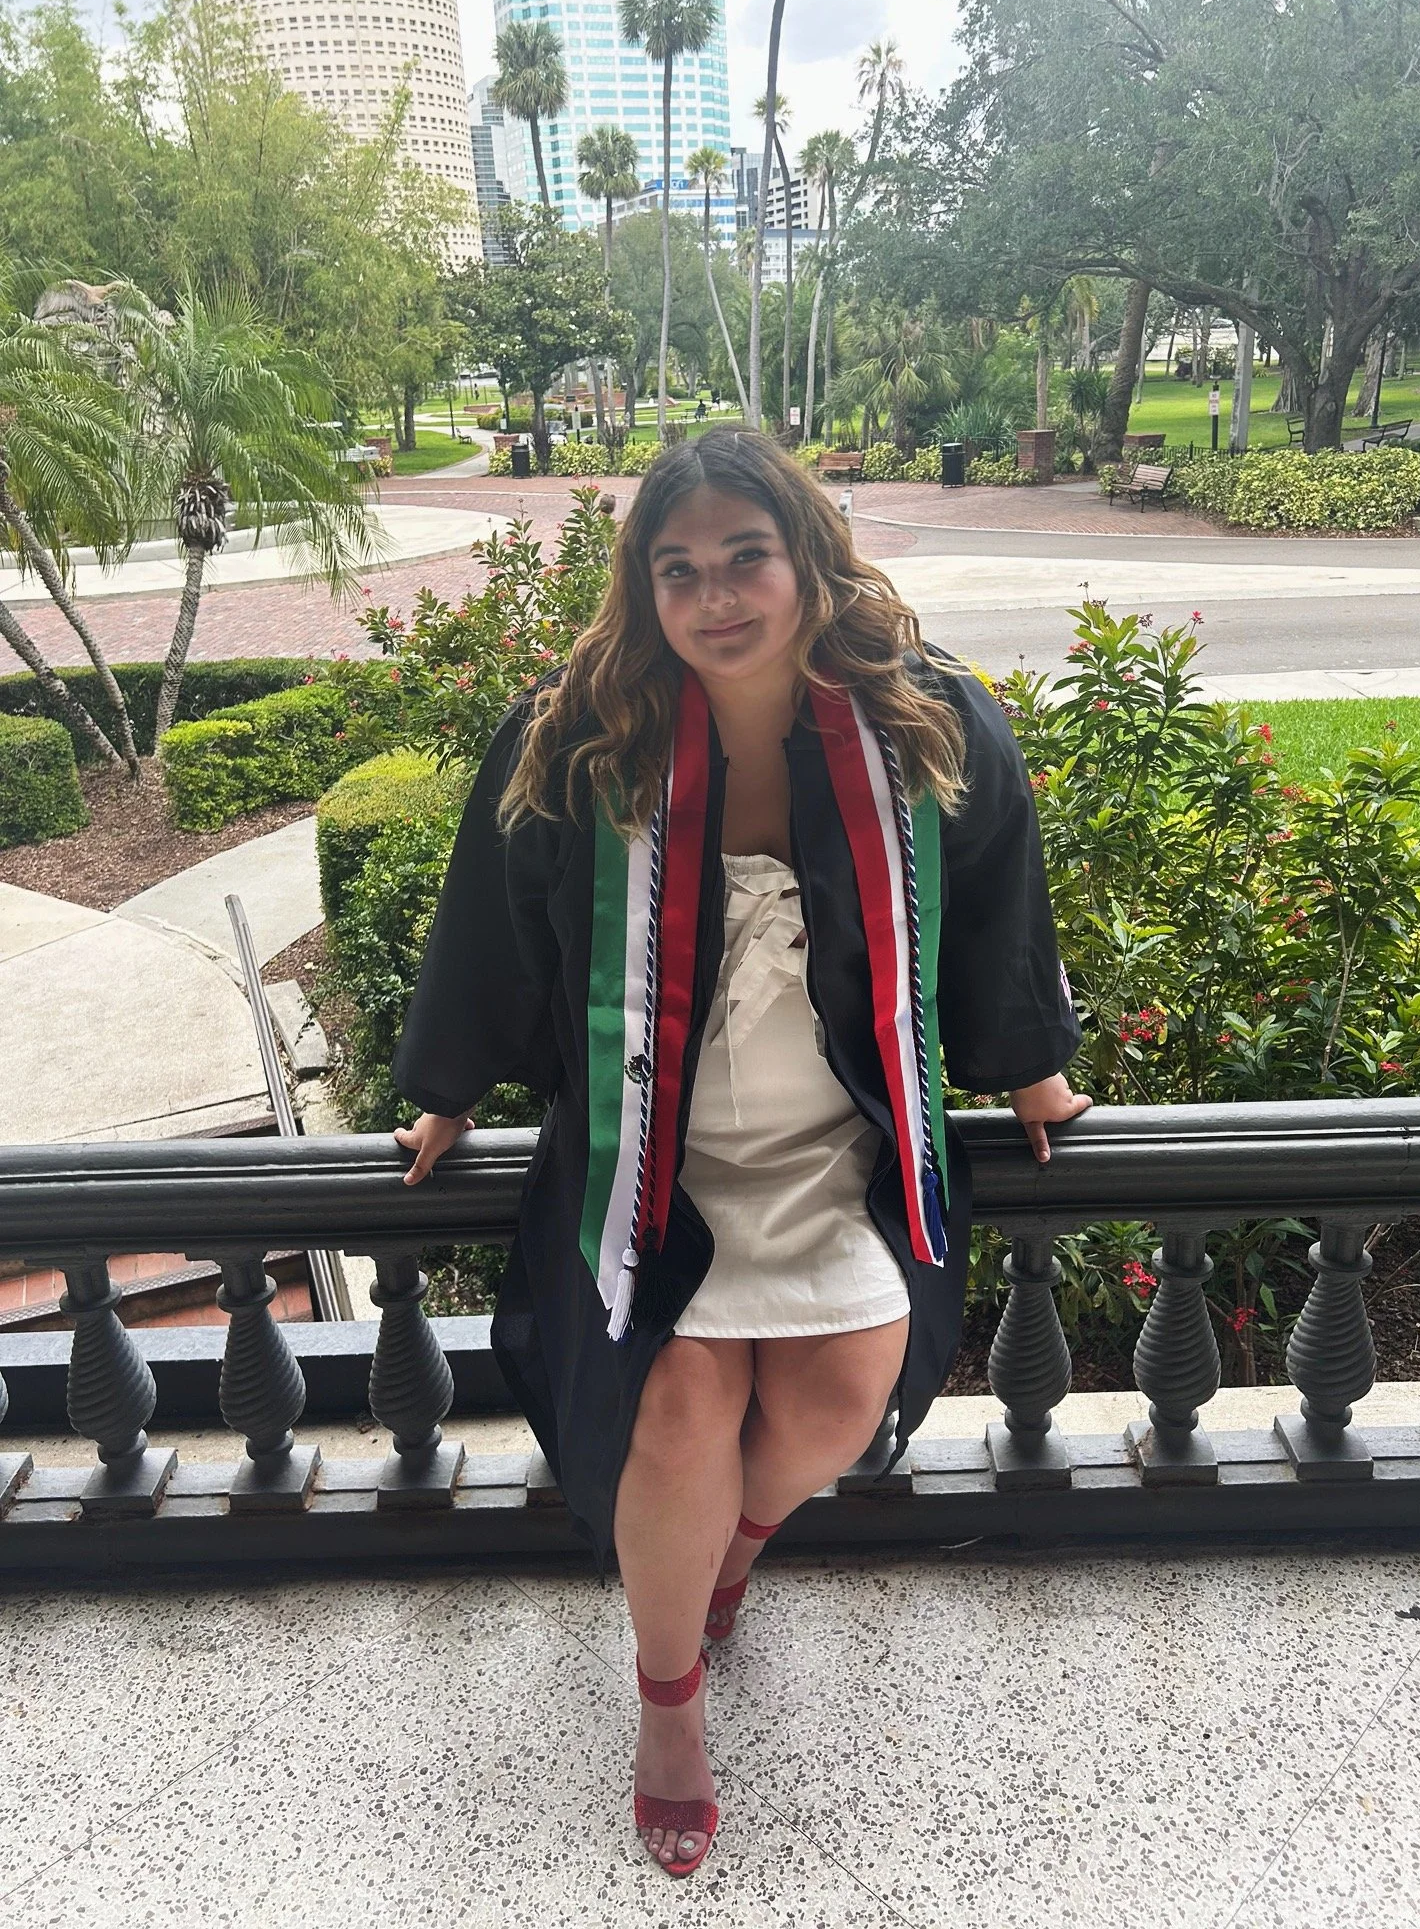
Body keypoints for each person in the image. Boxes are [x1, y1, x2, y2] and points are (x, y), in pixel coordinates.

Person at [393, 428, 1088, 1878]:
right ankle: (669, 1711)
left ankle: (731, 1554)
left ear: (808, 558)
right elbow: (490, 921)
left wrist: (1031, 1067)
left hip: (839, 1141)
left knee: (840, 1391)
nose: (714, 597)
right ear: (644, 588)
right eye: (679, 569)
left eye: (744, 557)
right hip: (657, 1152)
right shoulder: (581, 737)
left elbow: (994, 897)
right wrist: (447, 1091)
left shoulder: (923, 719)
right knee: (681, 1401)